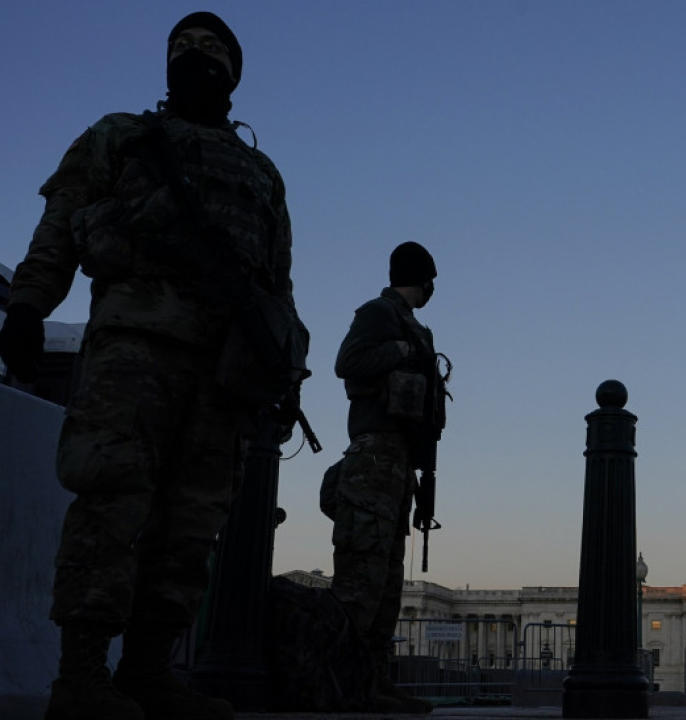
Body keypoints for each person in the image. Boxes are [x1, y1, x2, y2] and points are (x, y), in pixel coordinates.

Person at [0, 12, 306, 720]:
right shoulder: (123, 136)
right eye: (182, 52)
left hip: (221, 371)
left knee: (191, 526)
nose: (194, 63)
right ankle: (79, 676)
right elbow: (59, 226)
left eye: (210, 54)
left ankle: (147, 671)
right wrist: (27, 306)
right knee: (111, 504)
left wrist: (281, 373)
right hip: (132, 348)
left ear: (234, 74)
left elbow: (276, 285)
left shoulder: (260, 175)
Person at [332, 241, 445, 714]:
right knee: (362, 574)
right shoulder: (379, 313)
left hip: (401, 458)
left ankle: (374, 680)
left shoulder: (419, 328)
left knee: (388, 581)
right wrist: (400, 349)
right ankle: (341, 683)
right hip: (375, 451)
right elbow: (347, 363)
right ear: (422, 279)